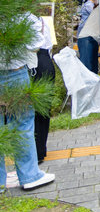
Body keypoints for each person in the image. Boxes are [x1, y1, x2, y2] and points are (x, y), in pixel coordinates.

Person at [0, 13, 55, 191]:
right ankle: (29, 175)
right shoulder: (21, 13)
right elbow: (35, 44)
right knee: (22, 124)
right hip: (13, 72)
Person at [33, 16, 56, 164]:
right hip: (45, 60)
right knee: (43, 109)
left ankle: (35, 152)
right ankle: (40, 150)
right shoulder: (42, 20)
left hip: (32, 63)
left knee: (32, 110)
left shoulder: (16, 20)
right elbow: (49, 44)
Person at [77, 0, 100, 73]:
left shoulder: (91, 5)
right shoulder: (89, 5)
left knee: (92, 63)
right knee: (87, 64)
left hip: (92, 36)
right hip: (86, 36)